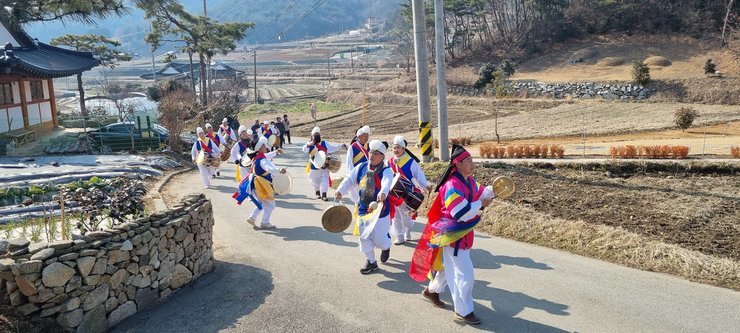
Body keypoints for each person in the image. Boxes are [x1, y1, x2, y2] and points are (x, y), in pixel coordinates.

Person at [409, 145, 494, 325]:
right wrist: (481, 203)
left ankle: (432, 290)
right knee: (465, 274)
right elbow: (460, 212)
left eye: (472, 160)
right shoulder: (452, 185)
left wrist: (490, 191)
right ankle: (464, 310)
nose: (473, 164)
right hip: (454, 236)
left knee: (448, 268)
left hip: (460, 234)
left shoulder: (469, 181)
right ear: (458, 163)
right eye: (469, 161)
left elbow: (481, 192)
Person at [335, 140, 394, 275]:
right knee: (364, 237)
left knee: (380, 240)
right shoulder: (361, 167)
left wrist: (383, 193)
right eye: (371, 152)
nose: (372, 155)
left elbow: (386, 183)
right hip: (363, 209)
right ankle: (371, 261)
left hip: (380, 210)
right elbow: (349, 179)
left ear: (382, 156)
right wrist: (340, 190)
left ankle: (386, 246)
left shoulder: (386, 171)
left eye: (376, 153)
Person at [232, 136, 287, 230]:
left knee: (262, 202)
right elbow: (269, 168)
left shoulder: (256, 158)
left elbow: (266, 157)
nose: (265, 146)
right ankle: (265, 222)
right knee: (270, 204)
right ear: (259, 148)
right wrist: (279, 169)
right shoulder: (262, 160)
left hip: (257, 185)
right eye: (263, 145)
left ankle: (252, 217)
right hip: (262, 185)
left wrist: (275, 152)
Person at [387, 135, 428, 245]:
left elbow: (419, 175)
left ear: (403, 149)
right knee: (396, 216)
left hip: (408, 193)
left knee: (406, 217)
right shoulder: (389, 161)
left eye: (398, 148)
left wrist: (425, 185)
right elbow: (386, 176)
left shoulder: (410, 162)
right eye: (394, 148)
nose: (395, 150)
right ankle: (400, 236)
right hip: (394, 194)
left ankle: (408, 229)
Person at [302, 127, 346, 201]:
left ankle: (324, 194)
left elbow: (332, 148)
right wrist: (308, 145)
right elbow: (304, 150)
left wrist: (340, 146)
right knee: (314, 181)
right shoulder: (309, 144)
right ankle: (317, 192)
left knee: (325, 180)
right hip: (314, 166)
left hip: (325, 165)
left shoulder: (324, 143)